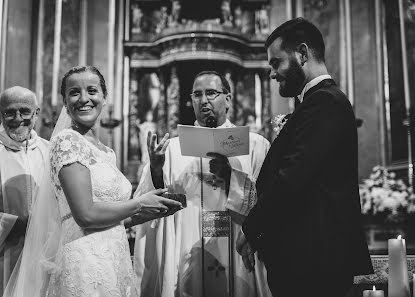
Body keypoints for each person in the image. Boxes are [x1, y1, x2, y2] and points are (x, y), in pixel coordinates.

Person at [3, 65, 183, 297]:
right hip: (85, 261)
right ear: (65, 102)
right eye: (74, 92)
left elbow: (115, 217)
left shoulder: (106, 152)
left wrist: (152, 198)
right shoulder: (66, 141)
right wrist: (140, 203)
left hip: (113, 258)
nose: (84, 99)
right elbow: (85, 215)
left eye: (92, 90)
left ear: (104, 97)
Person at [236, 18, 373, 297]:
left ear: (301, 54)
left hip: (314, 263)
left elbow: (291, 177)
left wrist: (251, 228)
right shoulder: (315, 103)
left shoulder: (325, 102)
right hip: (307, 260)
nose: (272, 74)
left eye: (276, 63)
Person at [134, 71, 272, 297]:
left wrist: (231, 178)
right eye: (197, 94)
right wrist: (156, 170)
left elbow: (269, 202)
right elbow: (149, 205)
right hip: (187, 243)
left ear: (227, 99)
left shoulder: (255, 146)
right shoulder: (172, 149)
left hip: (238, 243)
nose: (203, 100)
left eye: (211, 93)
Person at [0, 86, 48, 293]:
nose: (17, 118)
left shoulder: (51, 151)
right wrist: (13, 224)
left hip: (45, 254)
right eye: (9, 112)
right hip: (6, 253)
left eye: (25, 111)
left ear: (37, 113)